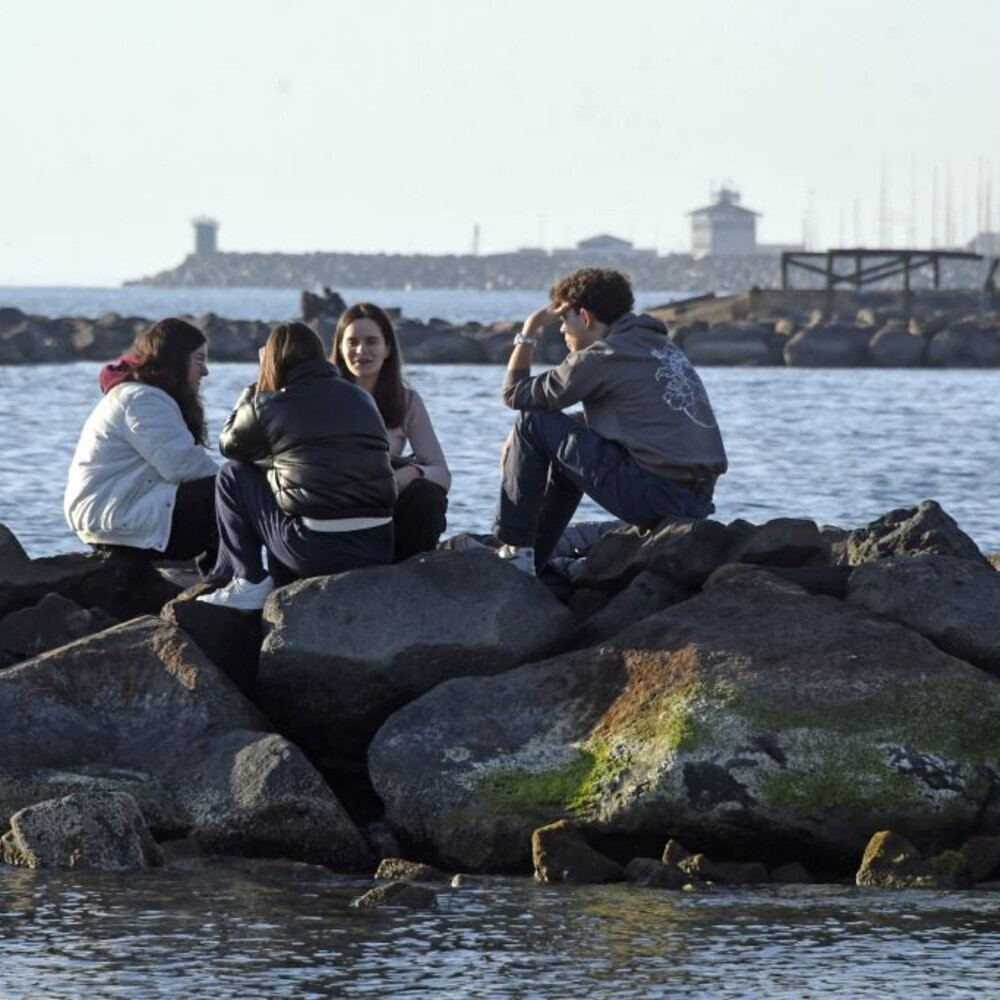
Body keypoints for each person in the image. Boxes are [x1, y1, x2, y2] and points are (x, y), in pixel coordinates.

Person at [493, 267, 727, 575]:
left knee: (532, 420)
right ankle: (536, 556)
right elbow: (633, 421)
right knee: (560, 445)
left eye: (564, 320)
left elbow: (514, 394)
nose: (562, 330)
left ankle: (515, 549)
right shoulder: (660, 347)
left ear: (586, 317)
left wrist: (530, 329)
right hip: (697, 502)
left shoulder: (603, 356)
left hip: (656, 498)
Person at [198, 321, 396, 610]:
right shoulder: (361, 397)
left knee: (233, 474)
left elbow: (229, 445)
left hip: (317, 551)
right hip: (378, 546)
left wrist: (254, 387)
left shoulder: (268, 404)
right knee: (292, 484)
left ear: (272, 359)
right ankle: (271, 580)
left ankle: (248, 580)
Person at [64, 317, 219, 571]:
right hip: (113, 516)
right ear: (177, 360)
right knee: (232, 491)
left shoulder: (145, 396)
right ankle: (230, 580)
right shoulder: (141, 400)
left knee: (229, 489)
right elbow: (182, 466)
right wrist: (240, 483)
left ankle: (220, 577)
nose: (205, 371)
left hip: (120, 509)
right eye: (199, 360)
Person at [332, 302, 450, 562]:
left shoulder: (407, 402)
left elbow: (441, 473)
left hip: (383, 510)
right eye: (352, 342)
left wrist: (410, 473)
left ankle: (408, 578)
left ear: (387, 349)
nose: (361, 350)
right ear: (340, 349)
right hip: (333, 514)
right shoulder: (324, 397)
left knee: (427, 495)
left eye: (372, 341)